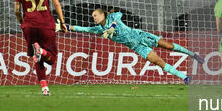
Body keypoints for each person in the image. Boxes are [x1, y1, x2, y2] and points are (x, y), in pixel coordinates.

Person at [59, 8, 204, 83]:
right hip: (137, 47)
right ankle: (184, 77)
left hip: (141, 36)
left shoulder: (112, 17)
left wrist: (113, 27)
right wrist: (66, 26)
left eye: (95, 15)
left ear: (103, 15)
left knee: (170, 46)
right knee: (158, 62)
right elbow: (82, 29)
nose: (94, 18)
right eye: (93, 17)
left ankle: (193, 55)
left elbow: (120, 15)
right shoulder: (99, 30)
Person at [14, 0, 67, 96]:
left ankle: (44, 88)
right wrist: (62, 22)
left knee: (37, 57)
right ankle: (42, 51)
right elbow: (56, 3)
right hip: (46, 25)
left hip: (29, 26)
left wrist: (22, 22)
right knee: (52, 58)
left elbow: (16, 10)